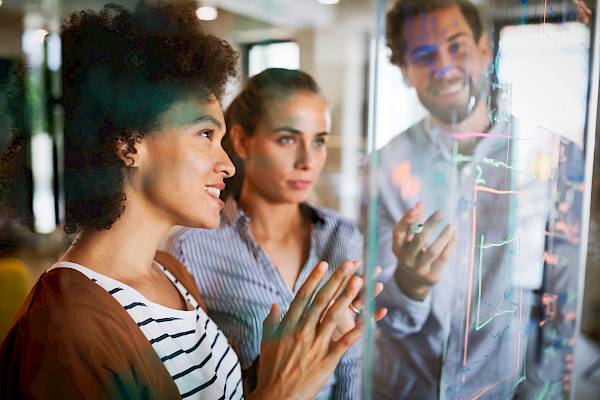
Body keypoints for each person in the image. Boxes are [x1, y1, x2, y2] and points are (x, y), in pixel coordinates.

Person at [0, 3, 370, 399]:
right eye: (205, 135)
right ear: (129, 142)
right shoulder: (65, 326)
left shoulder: (172, 273)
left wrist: (289, 358)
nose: (228, 164)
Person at [374, 0, 583, 398]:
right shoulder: (384, 168)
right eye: (423, 54)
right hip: (406, 387)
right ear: (404, 70)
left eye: (457, 47)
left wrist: (541, 391)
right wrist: (411, 284)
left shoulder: (547, 158)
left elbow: (562, 302)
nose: (443, 67)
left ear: (484, 50)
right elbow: (382, 314)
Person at [167, 67, 387, 399]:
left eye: (319, 141)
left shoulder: (342, 235)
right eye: (287, 139)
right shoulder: (193, 247)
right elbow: (193, 383)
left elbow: (354, 364)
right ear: (242, 141)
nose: (308, 160)